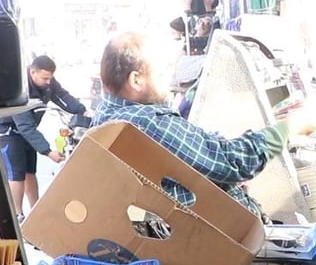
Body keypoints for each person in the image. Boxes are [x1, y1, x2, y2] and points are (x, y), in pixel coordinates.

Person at [92, 31, 305, 219]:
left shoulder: (105, 114)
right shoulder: (147, 122)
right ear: (136, 80)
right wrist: (288, 129)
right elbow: (234, 162)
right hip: (205, 239)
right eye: (163, 72)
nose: (171, 79)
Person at [0, 55, 87, 221]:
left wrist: (82, 111)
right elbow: (25, 126)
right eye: (45, 78)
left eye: (50, 78)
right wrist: (48, 151)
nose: (48, 82)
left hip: (28, 129)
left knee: (31, 171)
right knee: (17, 174)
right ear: (33, 73)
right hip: (9, 131)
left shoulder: (48, 83)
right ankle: (18, 215)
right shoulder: (20, 89)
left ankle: (36, 212)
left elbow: (62, 96)